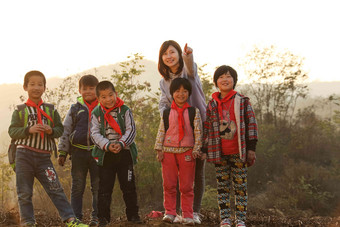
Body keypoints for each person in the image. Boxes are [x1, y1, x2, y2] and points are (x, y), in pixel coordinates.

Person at [8, 70, 88, 227]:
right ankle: (28, 223)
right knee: (24, 193)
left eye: (40, 84)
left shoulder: (51, 110)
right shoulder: (20, 110)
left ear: (45, 87)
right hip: (23, 155)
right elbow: (12, 131)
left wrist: (51, 130)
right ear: (25, 87)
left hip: (44, 158)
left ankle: (71, 220)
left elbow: (60, 129)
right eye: (32, 84)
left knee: (55, 188)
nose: (36, 87)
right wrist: (28, 130)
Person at [203, 65, 258, 227]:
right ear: (216, 82)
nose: (225, 80)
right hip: (219, 152)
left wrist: (251, 148)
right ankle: (225, 219)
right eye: (221, 77)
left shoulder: (242, 101)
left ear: (234, 81)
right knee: (222, 186)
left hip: (238, 151)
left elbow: (252, 125)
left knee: (240, 186)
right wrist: (205, 149)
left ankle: (240, 219)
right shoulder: (212, 104)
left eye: (228, 77)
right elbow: (207, 127)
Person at [158, 40, 206, 224]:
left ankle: (194, 212)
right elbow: (163, 102)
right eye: (165, 53)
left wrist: (188, 55)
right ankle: (177, 212)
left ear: (178, 54)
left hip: (199, 124)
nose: (169, 56)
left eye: (172, 52)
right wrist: (167, 117)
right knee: (175, 173)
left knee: (197, 171)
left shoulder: (188, 73)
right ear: (161, 58)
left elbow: (191, 68)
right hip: (177, 132)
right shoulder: (164, 82)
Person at [90, 81, 141, 226]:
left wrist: (121, 143)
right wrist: (107, 145)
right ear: (98, 99)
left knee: (129, 186)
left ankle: (133, 215)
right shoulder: (96, 113)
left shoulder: (125, 110)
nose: (108, 99)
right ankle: (103, 218)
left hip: (124, 153)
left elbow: (131, 130)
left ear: (116, 94)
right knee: (104, 188)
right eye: (104, 97)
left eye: (110, 95)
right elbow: (94, 134)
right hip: (105, 155)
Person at [58, 74, 100, 226]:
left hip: (98, 152)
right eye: (84, 89)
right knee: (77, 186)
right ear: (79, 90)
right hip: (78, 153)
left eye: (91, 88)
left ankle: (97, 217)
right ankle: (76, 217)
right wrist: (62, 151)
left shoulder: (102, 107)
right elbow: (66, 129)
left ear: (97, 89)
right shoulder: (75, 108)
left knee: (98, 186)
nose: (88, 91)